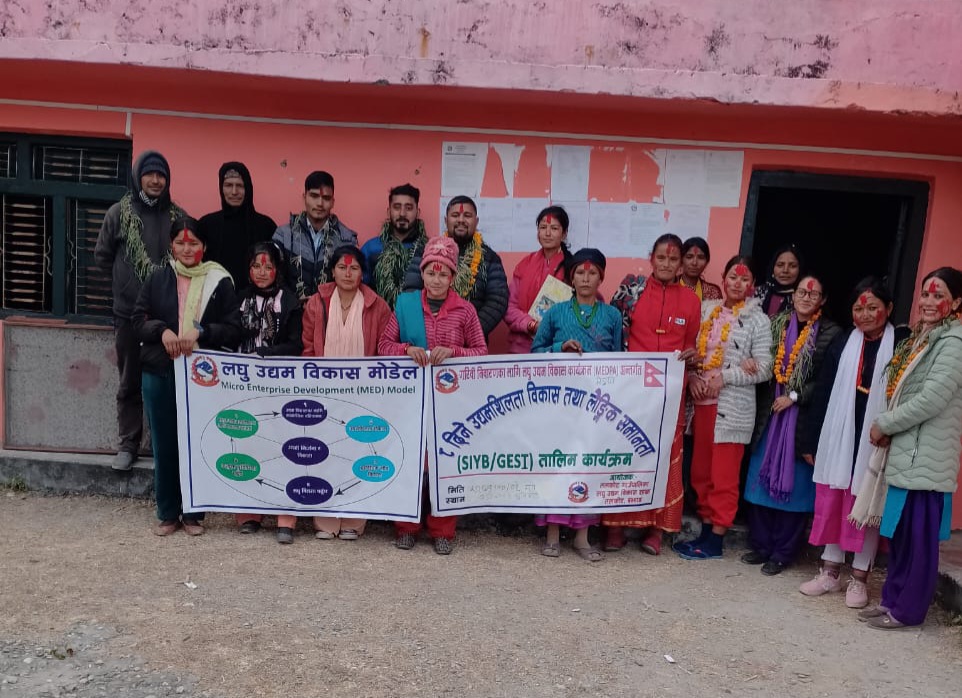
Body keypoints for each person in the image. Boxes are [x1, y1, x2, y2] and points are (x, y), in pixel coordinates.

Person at [855, 267, 962, 630]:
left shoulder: (953, 343)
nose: (929, 301)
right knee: (901, 537)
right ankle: (892, 601)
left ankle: (908, 612)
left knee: (919, 542)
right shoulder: (925, 338)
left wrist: (885, 423)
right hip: (909, 455)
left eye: (939, 295)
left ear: (956, 303)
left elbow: (931, 400)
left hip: (926, 459)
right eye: (926, 294)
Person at [798, 278, 906, 607]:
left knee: (866, 502)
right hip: (840, 433)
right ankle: (829, 572)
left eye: (873, 307)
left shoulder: (900, 344)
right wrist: (811, 440)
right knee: (834, 499)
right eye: (859, 308)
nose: (865, 314)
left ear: (889, 309)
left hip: (878, 435)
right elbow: (823, 392)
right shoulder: (843, 342)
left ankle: (859, 578)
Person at [131, 217, 241, 536]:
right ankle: (168, 513)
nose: (187, 249)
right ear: (171, 245)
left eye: (193, 243)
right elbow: (137, 320)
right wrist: (162, 331)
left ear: (204, 246)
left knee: (196, 443)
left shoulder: (219, 281)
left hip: (201, 376)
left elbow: (234, 329)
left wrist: (201, 331)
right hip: (160, 369)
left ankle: (193, 515)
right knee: (164, 443)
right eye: (180, 243)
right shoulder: (158, 277)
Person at [379, 236, 488, 554]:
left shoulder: (465, 311)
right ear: (423, 274)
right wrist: (406, 349)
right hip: (411, 402)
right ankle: (406, 526)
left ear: (452, 277)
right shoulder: (405, 305)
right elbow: (383, 346)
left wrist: (453, 352)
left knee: (445, 465)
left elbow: (481, 352)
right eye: (431, 273)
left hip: (452, 403)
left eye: (443, 274)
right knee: (411, 462)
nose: (436, 280)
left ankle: (443, 530)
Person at [602, 234, 700, 555]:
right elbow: (614, 335)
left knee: (663, 459)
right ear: (651, 258)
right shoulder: (631, 292)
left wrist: (692, 356)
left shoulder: (691, 301)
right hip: (630, 391)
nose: (666, 264)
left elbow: (691, 343)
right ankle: (615, 528)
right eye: (661, 257)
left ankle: (655, 531)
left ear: (681, 264)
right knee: (625, 452)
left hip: (670, 395)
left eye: (673, 259)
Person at [673, 256, 772, 560]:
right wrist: (692, 377)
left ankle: (716, 539)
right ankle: (704, 531)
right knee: (700, 473)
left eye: (745, 279)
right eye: (733, 277)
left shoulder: (758, 320)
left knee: (724, 475)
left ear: (752, 285)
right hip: (701, 405)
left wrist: (726, 377)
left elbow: (765, 368)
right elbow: (692, 352)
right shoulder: (706, 310)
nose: (737, 283)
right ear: (723, 278)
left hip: (732, 409)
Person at [742, 274, 841, 576]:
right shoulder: (777, 323)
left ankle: (783, 552)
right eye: (801, 292)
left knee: (794, 487)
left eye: (814, 294)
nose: (806, 298)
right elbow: (761, 356)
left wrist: (795, 396)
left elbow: (826, 380)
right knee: (759, 481)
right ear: (793, 295)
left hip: (800, 421)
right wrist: (750, 362)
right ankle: (761, 545)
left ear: (823, 300)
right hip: (769, 413)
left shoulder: (831, 333)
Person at [95, 150, 186, 472]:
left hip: (167, 319)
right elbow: (103, 258)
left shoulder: (177, 217)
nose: (156, 180)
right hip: (128, 315)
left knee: (169, 383)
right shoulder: (119, 213)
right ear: (138, 177)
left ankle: (171, 446)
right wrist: (126, 285)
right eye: (150, 174)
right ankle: (128, 444)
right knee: (129, 380)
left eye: (161, 175)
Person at [530, 248, 621, 561]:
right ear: (571, 277)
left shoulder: (612, 316)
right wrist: (560, 347)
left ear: (601, 278)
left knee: (588, 464)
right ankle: (553, 534)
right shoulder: (555, 312)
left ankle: (583, 537)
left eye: (592, 273)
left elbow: (620, 360)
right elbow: (535, 351)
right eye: (580, 272)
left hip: (596, 404)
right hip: (559, 401)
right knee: (558, 463)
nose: (585, 278)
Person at [300, 246, 392, 542]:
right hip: (323, 392)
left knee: (358, 454)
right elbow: (308, 348)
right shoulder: (317, 303)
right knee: (324, 454)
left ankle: (354, 519)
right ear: (332, 271)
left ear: (362, 273)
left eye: (354, 268)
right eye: (342, 267)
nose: (348, 273)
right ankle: (325, 520)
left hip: (363, 394)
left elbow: (384, 349)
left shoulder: (377, 306)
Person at [232, 242, 304, 540]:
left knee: (283, 448)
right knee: (249, 445)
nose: (262, 272)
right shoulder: (239, 299)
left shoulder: (289, 302)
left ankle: (285, 518)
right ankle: (250, 513)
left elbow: (297, 345)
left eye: (268, 266)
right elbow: (229, 334)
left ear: (278, 269)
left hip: (280, 386)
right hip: (245, 386)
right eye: (256, 266)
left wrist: (266, 354)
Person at [403, 196, 508, 338]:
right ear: (446, 220)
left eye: (467, 215)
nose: (461, 220)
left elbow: (497, 301)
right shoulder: (426, 252)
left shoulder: (489, 258)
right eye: (455, 215)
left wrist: (469, 332)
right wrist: (429, 330)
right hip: (428, 340)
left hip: (471, 343)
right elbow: (411, 291)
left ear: (476, 221)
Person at [273, 171, 358, 303]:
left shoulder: (346, 239)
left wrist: (320, 306)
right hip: (290, 311)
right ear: (304, 198)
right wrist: (294, 304)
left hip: (331, 311)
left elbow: (350, 282)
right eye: (314, 196)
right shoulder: (284, 235)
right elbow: (274, 277)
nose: (320, 203)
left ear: (333, 202)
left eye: (326, 198)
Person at [503, 206, 573, 354]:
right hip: (521, 347)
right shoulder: (525, 264)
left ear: (564, 234)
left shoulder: (573, 268)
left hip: (558, 347)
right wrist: (531, 324)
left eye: (554, 228)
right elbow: (509, 307)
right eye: (543, 227)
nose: (547, 233)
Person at [198, 162, 277, 287]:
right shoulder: (206, 225)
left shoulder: (266, 226)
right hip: (215, 296)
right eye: (228, 185)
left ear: (248, 188)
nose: (234, 192)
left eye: (240, 185)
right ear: (221, 188)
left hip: (256, 297)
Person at [361, 183, 428, 309]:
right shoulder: (371, 248)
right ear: (389, 211)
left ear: (417, 212)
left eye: (408, 208)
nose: (402, 213)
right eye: (397, 207)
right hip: (378, 317)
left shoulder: (428, 250)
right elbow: (360, 289)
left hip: (417, 317)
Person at [755, 244, 803, 318]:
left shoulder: (804, 299)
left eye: (792, 266)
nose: (785, 270)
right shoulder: (757, 293)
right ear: (772, 268)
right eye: (780, 265)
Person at [678, 237, 723, 301]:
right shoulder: (669, 286)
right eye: (689, 257)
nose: (694, 263)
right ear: (681, 260)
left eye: (700, 257)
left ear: (707, 262)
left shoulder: (713, 291)